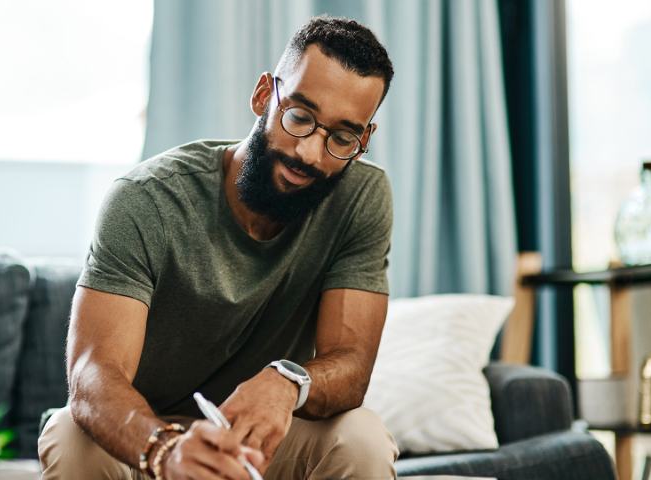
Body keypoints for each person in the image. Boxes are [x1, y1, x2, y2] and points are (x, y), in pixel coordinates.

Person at [39, 15, 398, 480]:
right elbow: (94, 374)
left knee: (362, 437)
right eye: (299, 117)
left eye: (342, 138)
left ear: (363, 140)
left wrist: (288, 381)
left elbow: (351, 365)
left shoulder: (361, 197)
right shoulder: (146, 199)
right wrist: (166, 451)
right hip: (147, 435)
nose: (309, 153)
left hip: (261, 442)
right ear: (264, 95)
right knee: (70, 435)